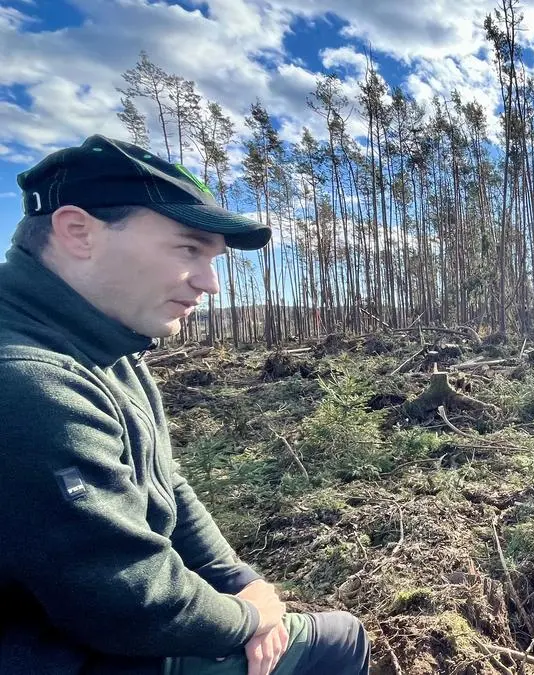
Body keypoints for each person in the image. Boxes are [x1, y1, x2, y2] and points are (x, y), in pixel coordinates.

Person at [0, 135, 371, 675]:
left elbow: (165, 482)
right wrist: (249, 619)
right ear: (78, 231)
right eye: (188, 249)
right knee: (340, 640)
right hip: (60, 652)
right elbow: (128, 600)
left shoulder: (103, 343)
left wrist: (242, 579)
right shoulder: (28, 382)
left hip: (85, 631)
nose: (210, 283)